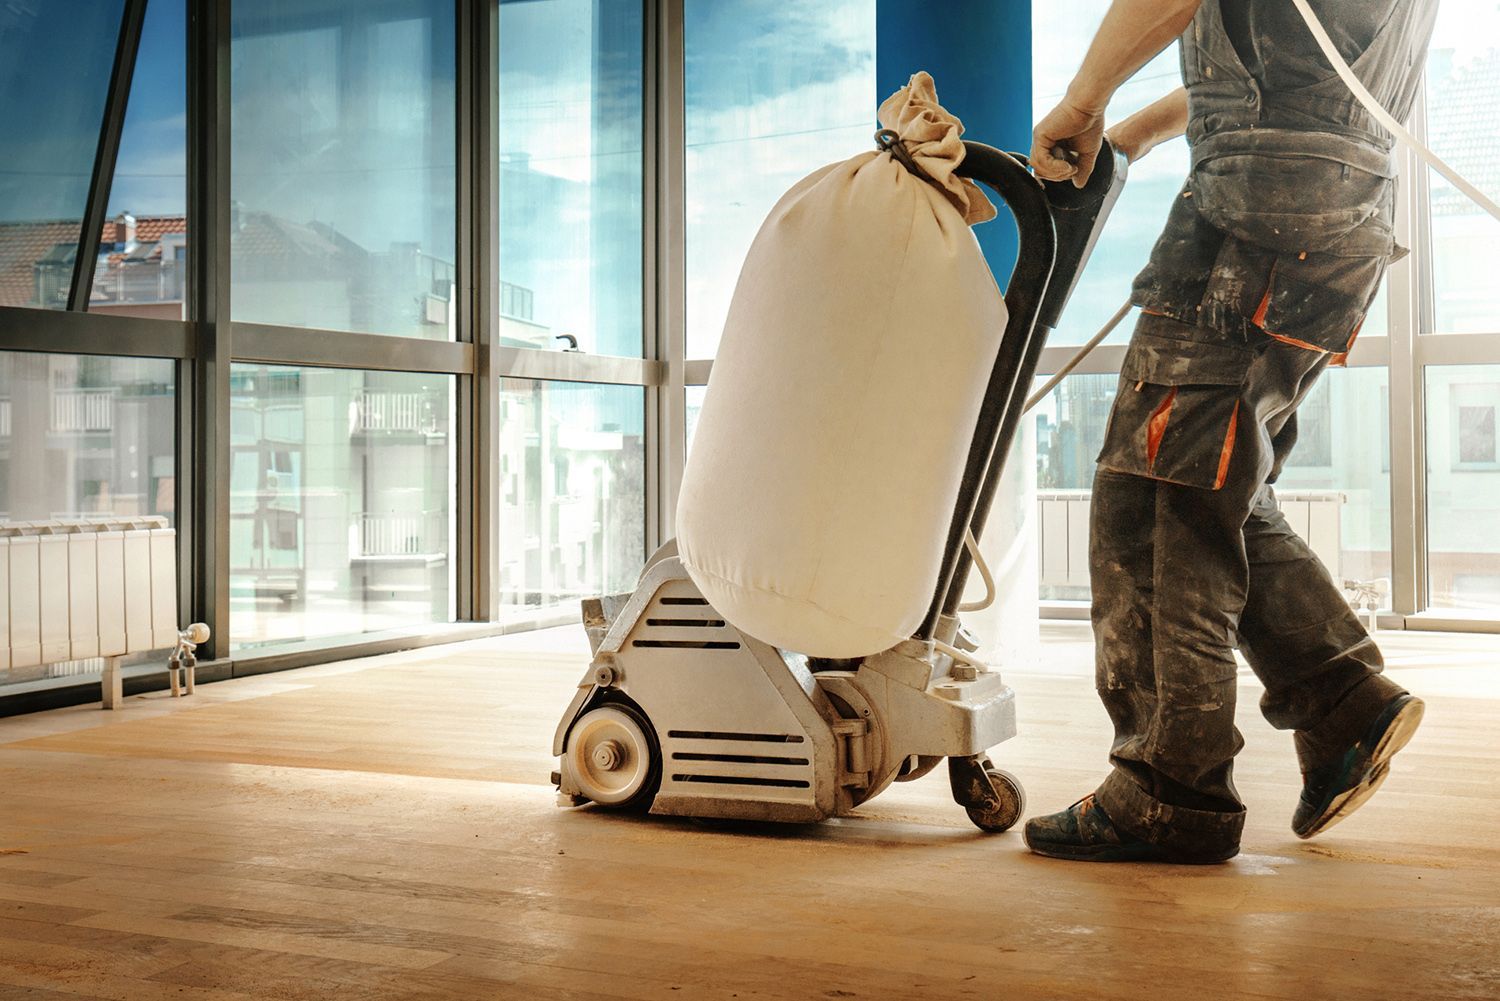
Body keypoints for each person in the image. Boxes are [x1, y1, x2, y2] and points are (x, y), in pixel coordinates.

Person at [1023, 0, 1438, 864]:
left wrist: (1084, 98)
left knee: (1155, 494)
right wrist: (1137, 126)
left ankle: (1168, 788)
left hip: (1256, 216)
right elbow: (1292, 51)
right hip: (1337, 210)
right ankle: (1342, 700)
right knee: (1218, 482)